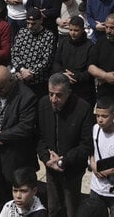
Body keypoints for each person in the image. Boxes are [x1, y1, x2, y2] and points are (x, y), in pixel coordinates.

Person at [0, 65, 38, 208]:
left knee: (20, 202)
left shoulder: (27, 96)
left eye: (0, 89)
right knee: (1, 199)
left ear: (11, 81)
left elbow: (25, 128)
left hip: (17, 159)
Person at [36, 73, 94, 217]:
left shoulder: (82, 108)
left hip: (72, 168)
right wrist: (46, 158)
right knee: (53, 208)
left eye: (58, 95)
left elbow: (86, 144)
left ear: (69, 92)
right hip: (51, 166)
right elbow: (38, 136)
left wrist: (63, 160)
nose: (53, 99)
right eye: (51, 94)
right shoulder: (43, 104)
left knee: (72, 209)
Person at [80, 97, 114, 217]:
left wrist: (110, 172)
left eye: (104, 116)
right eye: (98, 116)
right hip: (96, 188)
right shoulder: (95, 129)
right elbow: (91, 151)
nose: (100, 120)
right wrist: (93, 165)